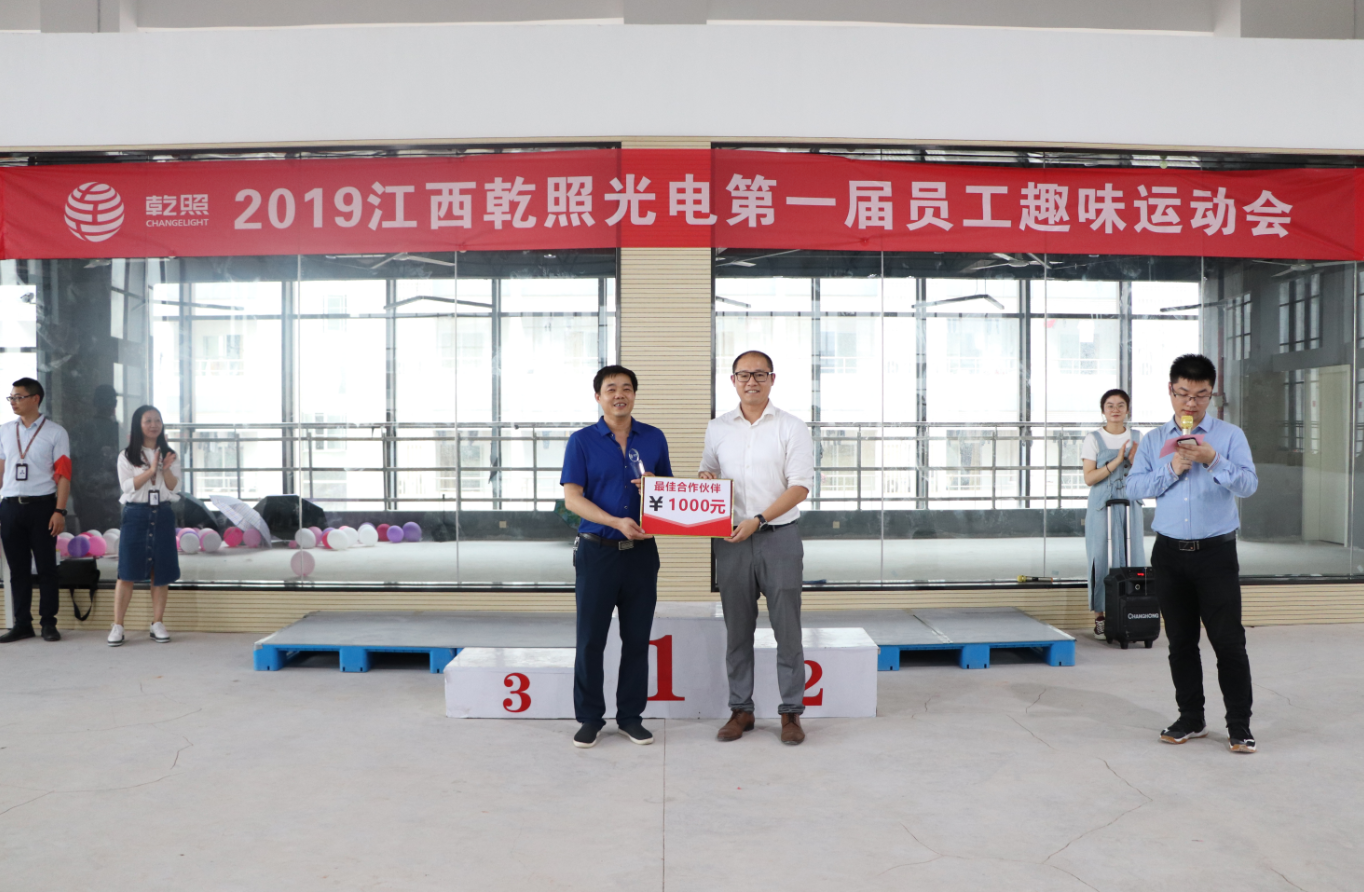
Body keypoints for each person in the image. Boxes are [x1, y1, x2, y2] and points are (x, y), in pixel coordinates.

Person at [1127, 354, 1259, 754]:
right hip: (1169, 554)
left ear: (1211, 394)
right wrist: (1173, 468)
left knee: (1228, 642)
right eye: (1183, 393)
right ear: (1170, 390)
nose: (1191, 403)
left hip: (1216, 554)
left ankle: (1239, 725)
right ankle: (1191, 718)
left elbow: (1249, 485)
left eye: (1201, 395)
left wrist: (1213, 460)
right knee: (1180, 642)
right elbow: (1134, 488)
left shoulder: (1229, 436)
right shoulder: (1154, 441)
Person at [700, 350, 814, 745]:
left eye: (760, 374)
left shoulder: (791, 427)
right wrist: (706, 478)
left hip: (779, 538)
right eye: (744, 374)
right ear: (732, 380)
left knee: (787, 631)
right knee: (737, 631)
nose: (752, 381)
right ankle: (741, 710)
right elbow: (709, 472)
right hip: (731, 540)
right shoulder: (717, 428)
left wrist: (760, 519)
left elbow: (799, 487)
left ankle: (791, 713)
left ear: (772, 379)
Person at [560, 365, 672, 749]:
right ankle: (590, 718)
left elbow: (669, 493)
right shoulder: (581, 441)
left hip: (641, 554)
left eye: (626, 388)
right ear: (598, 397)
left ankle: (630, 718)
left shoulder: (654, 438)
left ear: (634, 395)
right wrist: (614, 521)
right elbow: (572, 498)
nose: (619, 395)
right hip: (597, 552)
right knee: (591, 639)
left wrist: (657, 492)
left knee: (637, 640)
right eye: (611, 389)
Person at [0, 377, 72, 643]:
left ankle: (48, 623)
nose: (13, 402)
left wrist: (59, 511)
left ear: (35, 399)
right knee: (17, 569)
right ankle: (22, 624)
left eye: (18, 397)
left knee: (46, 568)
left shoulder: (55, 432)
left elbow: (63, 475)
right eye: (11, 397)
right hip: (10, 507)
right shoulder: (5, 431)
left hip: (43, 507)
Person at [110, 406, 181, 646]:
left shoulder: (169, 454)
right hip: (136, 513)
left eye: (157, 420)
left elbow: (174, 487)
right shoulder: (126, 455)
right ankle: (118, 625)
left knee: (160, 573)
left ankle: (157, 623)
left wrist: (165, 469)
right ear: (138, 425)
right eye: (148, 420)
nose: (153, 425)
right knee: (126, 571)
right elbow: (127, 486)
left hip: (162, 514)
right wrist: (151, 469)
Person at [1081, 388, 1144, 640]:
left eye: (1120, 405)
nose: (1115, 410)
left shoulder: (1138, 437)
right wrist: (1117, 461)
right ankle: (1100, 617)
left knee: (1132, 556)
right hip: (1101, 504)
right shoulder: (1093, 438)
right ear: (1103, 410)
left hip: (1130, 501)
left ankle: (1132, 613)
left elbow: (1146, 475)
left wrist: (1135, 461)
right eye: (1110, 405)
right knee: (1100, 556)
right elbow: (1089, 478)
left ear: (1127, 410)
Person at [70, 384, 124, 536]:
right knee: (114, 543)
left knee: (91, 544)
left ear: (94, 403)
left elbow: (71, 468)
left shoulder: (80, 430)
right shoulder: (119, 432)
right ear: (115, 404)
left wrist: (77, 498)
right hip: (112, 501)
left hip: (89, 501)